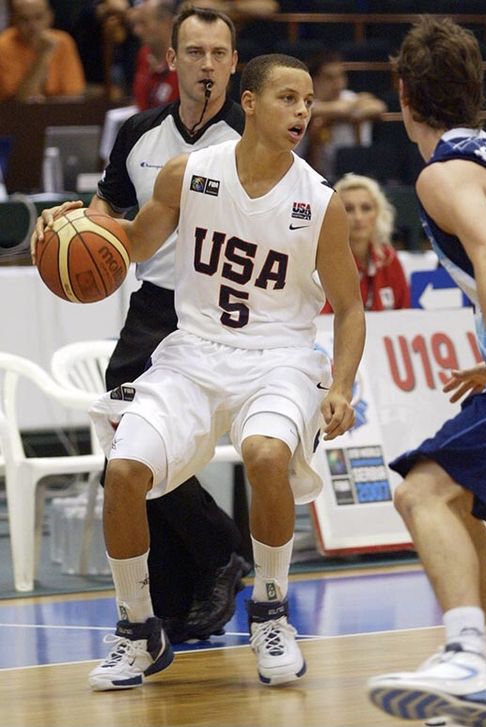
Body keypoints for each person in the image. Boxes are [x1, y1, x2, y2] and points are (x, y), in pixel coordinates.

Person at [46, 51, 364, 692]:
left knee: (266, 455)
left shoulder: (319, 201)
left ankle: (270, 613)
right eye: (287, 98)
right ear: (249, 102)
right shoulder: (189, 174)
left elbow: (351, 308)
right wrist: (73, 226)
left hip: (280, 356)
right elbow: (133, 244)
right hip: (194, 350)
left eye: (307, 101)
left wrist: (341, 385)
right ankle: (138, 629)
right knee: (124, 471)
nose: (302, 111)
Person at [33, 5, 250, 646]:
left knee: (147, 449)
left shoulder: (252, 136)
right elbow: (107, 213)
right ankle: (184, 593)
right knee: (124, 440)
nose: (207, 64)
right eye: (195, 52)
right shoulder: (138, 132)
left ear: (234, 64)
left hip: (226, 309)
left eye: (218, 53)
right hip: (155, 305)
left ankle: (219, 550)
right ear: (171, 60)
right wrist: (68, 225)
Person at [366, 16, 486, 727]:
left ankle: (466, 656)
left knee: (421, 494)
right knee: (453, 500)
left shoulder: (442, 173)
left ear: (402, 93)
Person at [321, 173, 410, 313]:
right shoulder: (324, 263)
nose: (358, 217)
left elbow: (405, 313)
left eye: (366, 208)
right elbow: (322, 320)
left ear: (378, 213)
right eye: (348, 209)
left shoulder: (388, 258)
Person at [298, 50, 387, 183]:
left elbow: (379, 107)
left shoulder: (349, 98)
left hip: (359, 172)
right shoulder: (304, 105)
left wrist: (353, 114)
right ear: (314, 80)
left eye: (341, 76)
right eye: (329, 78)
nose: (338, 84)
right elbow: (320, 109)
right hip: (318, 177)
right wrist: (344, 111)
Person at [0, 0, 86, 102]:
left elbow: (74, 94)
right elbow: (18, 101)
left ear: (50, 17)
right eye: (24, 19)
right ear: (13, 20)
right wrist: (43, 55)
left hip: (58, 110)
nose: (32, 26)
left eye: (38, 17)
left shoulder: (63, 41)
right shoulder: (3, 45)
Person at [130, 0, 180, 110]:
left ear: (167, 23)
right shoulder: (144, 54)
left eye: (143, 23)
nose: (137, 31)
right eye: (136, 24)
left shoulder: (185, 63)